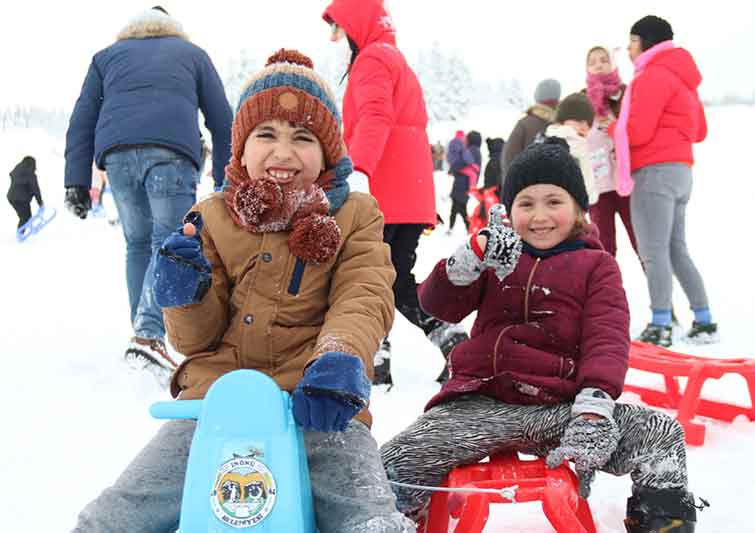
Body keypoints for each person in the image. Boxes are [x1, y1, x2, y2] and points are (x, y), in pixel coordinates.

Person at [71, 49, 416, 533]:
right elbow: (195, 341)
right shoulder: (210, 217)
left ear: (328, 153)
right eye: (266, 135)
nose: (283, 152)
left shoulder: (355, 214)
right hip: (215, 404)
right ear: (240, 146)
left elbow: (365, 292)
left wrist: (340, 357)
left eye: (303, 138)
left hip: (318, 401)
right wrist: (182, 295)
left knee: (367, 512)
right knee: (119, 514)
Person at [381, 139, 704, 533]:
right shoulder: (497, 256)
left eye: (554, 201)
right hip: (479, 405)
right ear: (509, 209)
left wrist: (593, 407)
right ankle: (399, 521)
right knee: (397, 457)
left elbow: (607, 338)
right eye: (526, 203)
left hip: (561, 410)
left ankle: (661, 524)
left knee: (660, 433)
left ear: (579, 209)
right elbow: (437, 304)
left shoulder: (596, 266)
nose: (540, 216)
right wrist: (470, 257)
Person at [63, 6, 233, 384]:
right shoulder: (191, 54)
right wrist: (225, 177)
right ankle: (148, 335)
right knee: (168, 242)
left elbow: (82, 118)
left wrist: (75, 179)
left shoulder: (106, 57)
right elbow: (222, 118)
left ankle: (144, 334)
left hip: (118, 156)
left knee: (138, 244)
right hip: (172, 154)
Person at [323, 0, 467, 386]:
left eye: (339, 27)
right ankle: (402, 350)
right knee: (389, 276)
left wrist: (358, 170)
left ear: (357, 23)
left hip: (386, 190)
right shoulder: (393, 58)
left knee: (377, 276)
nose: (336, 37)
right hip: (407, 190)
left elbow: (375, 115)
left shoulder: (373, 60)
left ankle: (425, 345)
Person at [609, 15, 717, 347]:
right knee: (676, 248)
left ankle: (660, 325)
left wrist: (612, 128)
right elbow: (699, 131)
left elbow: (638, 132)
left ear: (644, 42)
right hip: (681, 171)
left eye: (631, 41)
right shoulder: (682, 78)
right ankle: (704, 319)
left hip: (654, 172)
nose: (628, 49)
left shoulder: (651, 76)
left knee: (653, 251)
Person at [584, 45, 640, 260]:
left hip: (628, 183)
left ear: (612, 64)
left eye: (603, 60)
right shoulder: (582, 101)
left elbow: (638, 130)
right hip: (597, 187)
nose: (598, 65)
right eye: (593, 61)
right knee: (604, 249)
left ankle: (661, 292)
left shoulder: (627, 94)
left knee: (642, 243)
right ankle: (606, 293)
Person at [545, 93, 598, 205]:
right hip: (570, 209)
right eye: (580, 121)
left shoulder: (545, 139)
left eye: (588, 124)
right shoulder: (577, 144)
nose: (584, 127)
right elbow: (588, 191)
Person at [501, 78, 561, 176]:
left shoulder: (525, 124)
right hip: (556, 187)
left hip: (526, 186)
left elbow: (509, 158)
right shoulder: (564, 124)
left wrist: (512, 187)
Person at [445, 130, 475, 234]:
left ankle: (454, 228)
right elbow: (468, 159)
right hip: (463, 185)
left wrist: (453, 169)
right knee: (461, 209)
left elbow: (451, 158)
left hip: (459, 184)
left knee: (457, 209)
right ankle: (467, 229)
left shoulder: (452, 145)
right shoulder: (463, 148)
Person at [7, 156, 43, 229]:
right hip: (21, 199)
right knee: (26, 218)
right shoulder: (30, 174)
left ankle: (24, 232)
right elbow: (36, 190)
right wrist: (40, 203)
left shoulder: (18, 169)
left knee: (24, 217)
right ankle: (20, 235)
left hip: (11, 197)